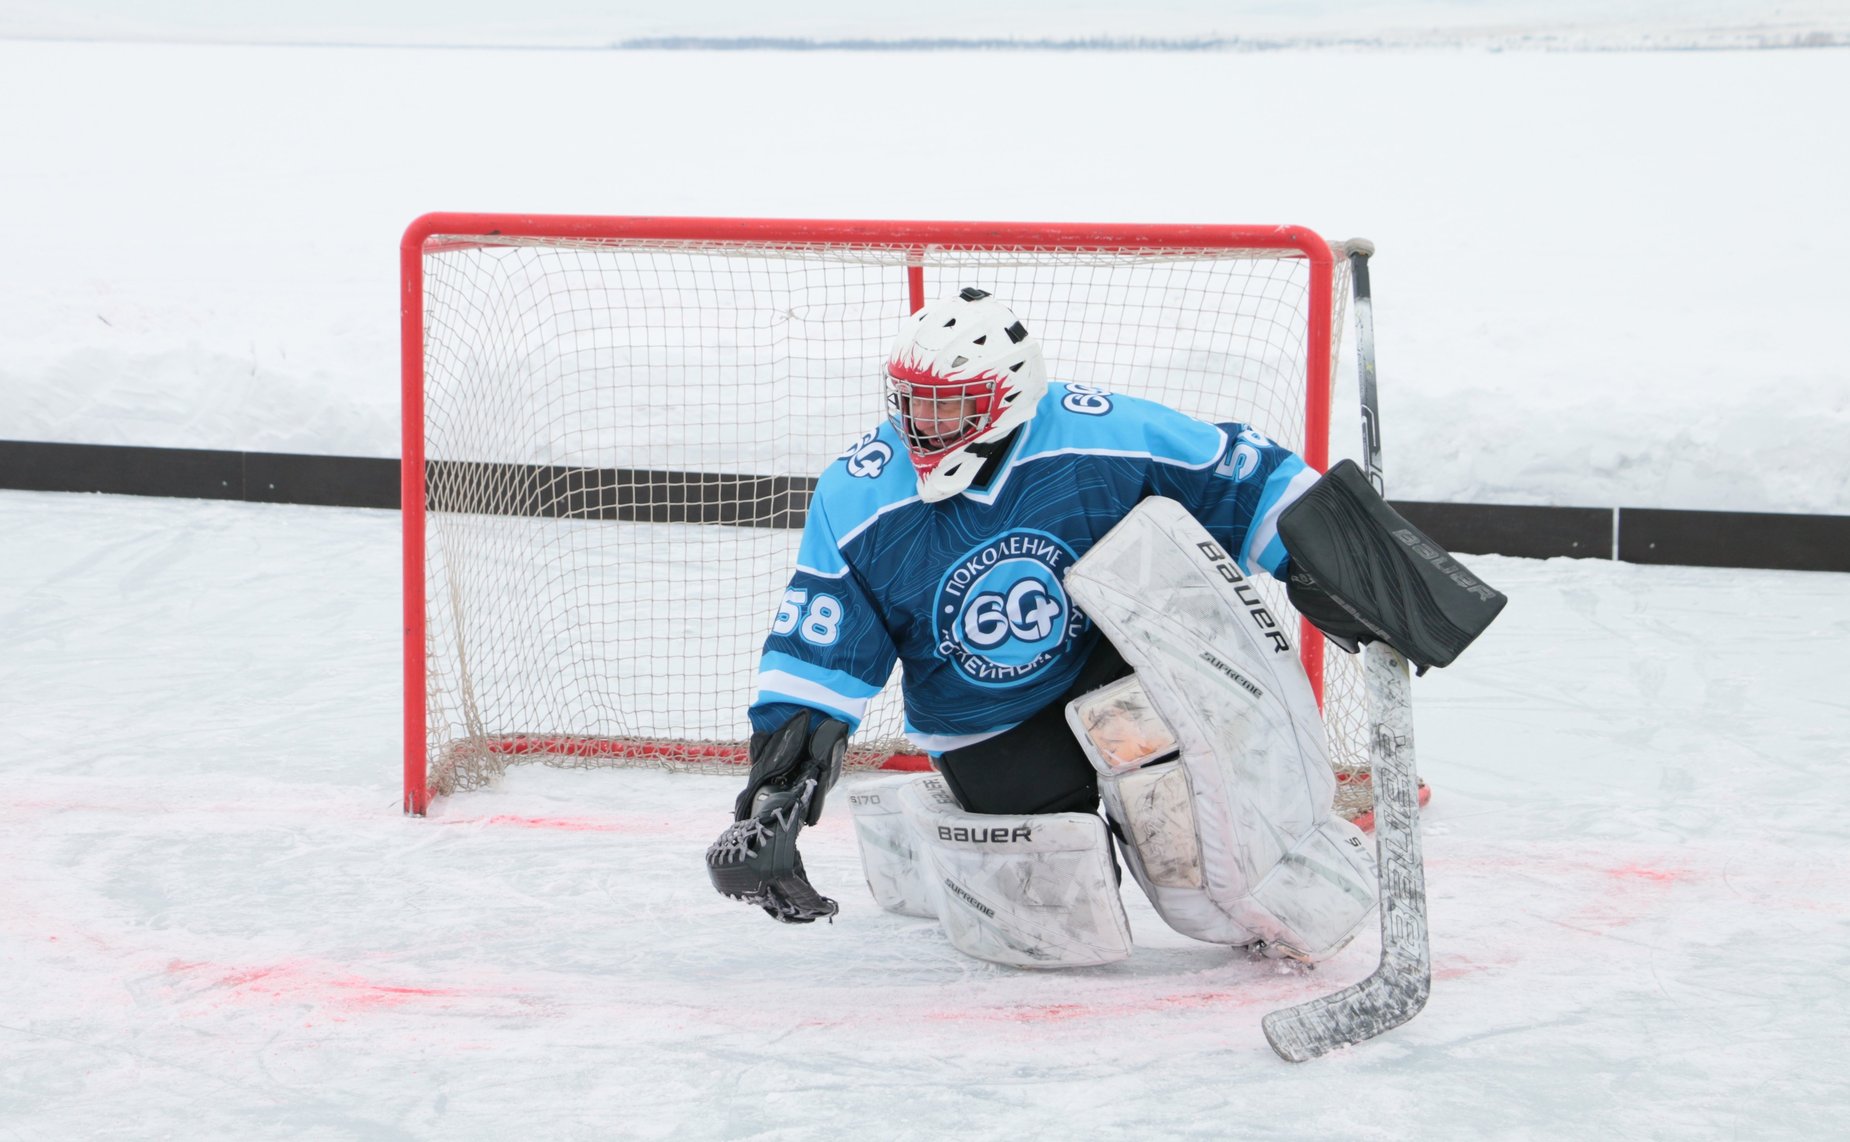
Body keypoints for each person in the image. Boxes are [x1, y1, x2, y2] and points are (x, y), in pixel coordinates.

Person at [706, 288, 1501, 968]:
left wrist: (1344, 558)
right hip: (987, 725)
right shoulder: (860, 493)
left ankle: (1271, 882)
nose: (922, 424)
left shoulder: (1101, 433)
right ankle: (926, 833)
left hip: (1114, 677)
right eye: (911, 402)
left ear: (1010, 394)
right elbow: (822, 647)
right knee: (1063, 932)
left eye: (948, 404)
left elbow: (1246, 475)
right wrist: (775, 800)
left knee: (1194, 870)